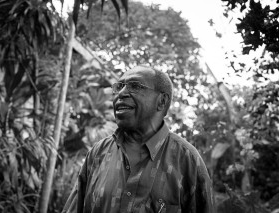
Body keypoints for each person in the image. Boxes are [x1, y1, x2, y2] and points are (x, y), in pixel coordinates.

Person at [62, 65, 215, 213]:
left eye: (135, 86)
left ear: (162, 101)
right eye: (119, 86)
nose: (121, 93)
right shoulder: (98, 153)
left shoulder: (187, 160)